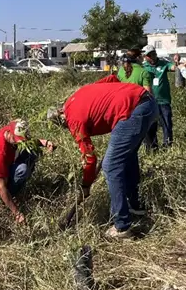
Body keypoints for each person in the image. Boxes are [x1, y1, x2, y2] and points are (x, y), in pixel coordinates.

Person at [47, 75, 157, 239]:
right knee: (127, 157)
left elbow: (89, 158)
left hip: (133, 111)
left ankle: (122, 226)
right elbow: (112, 79)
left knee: (111, 166)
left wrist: (86, 184)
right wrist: (118, 103)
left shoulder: (73, 119)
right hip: (147, 102)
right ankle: (134, 206)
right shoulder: (78, 94)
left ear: (62, 117)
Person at [0, 119, 55, 224]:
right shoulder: (0, 152)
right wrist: (17, 213)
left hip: (6, 164)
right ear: (10, 133)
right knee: (22, 170)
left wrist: (46, 143)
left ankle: (13, 188)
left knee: (33, 150)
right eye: (17, 140)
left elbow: (28, 142)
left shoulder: (11, 129)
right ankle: (6, 198)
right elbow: (0, 186)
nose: (19, 142)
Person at [141, 45, 177, 148]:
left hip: (163, 100)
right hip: (150, 101)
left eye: (153, 54)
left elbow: (173, 67)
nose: (152, 57)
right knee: (151, 126)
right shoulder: (143, 67)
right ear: (145, 57)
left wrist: (178, 63)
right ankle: (153, 146)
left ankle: (167, 145)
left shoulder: (163, 64)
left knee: (167, 124)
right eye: (149, 55)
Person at [117, 50, 154, 149]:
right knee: (147, 131)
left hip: (124, 106)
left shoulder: (121, 71)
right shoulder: (143, 72)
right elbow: (148, 93)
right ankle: (150, 150)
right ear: (138, 58)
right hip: (139, 106)